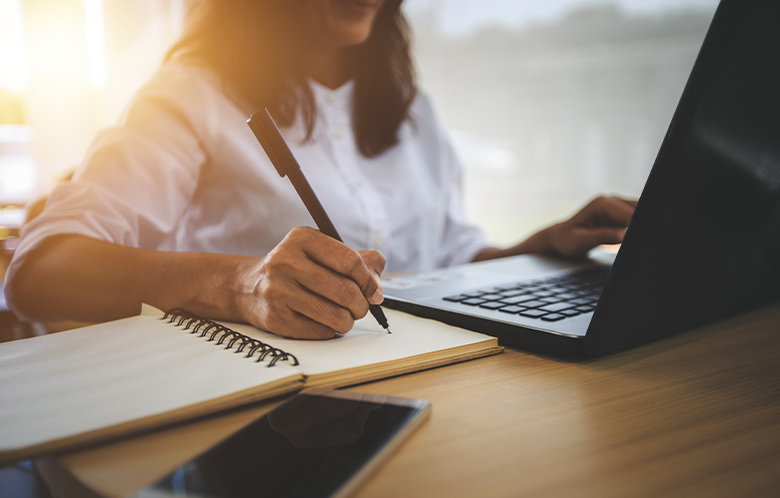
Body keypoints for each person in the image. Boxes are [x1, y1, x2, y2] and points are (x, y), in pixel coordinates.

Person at [5, 0, 636, 339]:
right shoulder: (188, 95)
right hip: (272, 414)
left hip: (430, 378)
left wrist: (542, 246)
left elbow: (445, 256)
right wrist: (241, 285)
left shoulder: (411, 108)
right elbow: (38, 271)